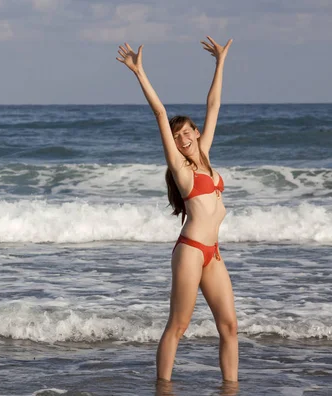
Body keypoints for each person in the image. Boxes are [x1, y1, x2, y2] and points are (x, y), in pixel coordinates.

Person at [116, 37, 238, 383]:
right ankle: (163, 387)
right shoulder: (181, 170)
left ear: (197, 134)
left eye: (187, 132)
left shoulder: (207, 157)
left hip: (213, 253)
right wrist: (139, 73)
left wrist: (220, 63)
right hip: (189, 252)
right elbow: (158, 112)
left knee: (230, 325)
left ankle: (232, 387)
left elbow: (213, 105)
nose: (183, 139)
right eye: (178, 135)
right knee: (179, 325)